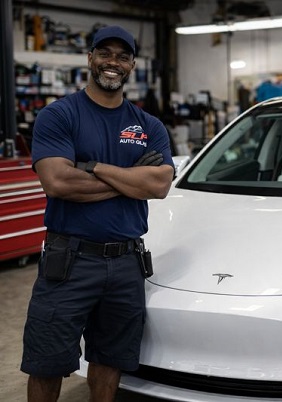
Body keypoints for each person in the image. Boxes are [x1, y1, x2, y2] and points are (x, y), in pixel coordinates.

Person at [20, 25, 175, 402]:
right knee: (48, 362)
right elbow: (58, 182)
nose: (113, 62)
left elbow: (159, 186)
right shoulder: (59, 116)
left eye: (122, 56)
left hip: (126, 263)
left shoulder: (149, 125)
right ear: (90, 58)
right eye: (105, 53)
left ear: (132, 65)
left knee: (110, 358)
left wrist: (95, 167)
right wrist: (130, 178)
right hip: (69, 260)